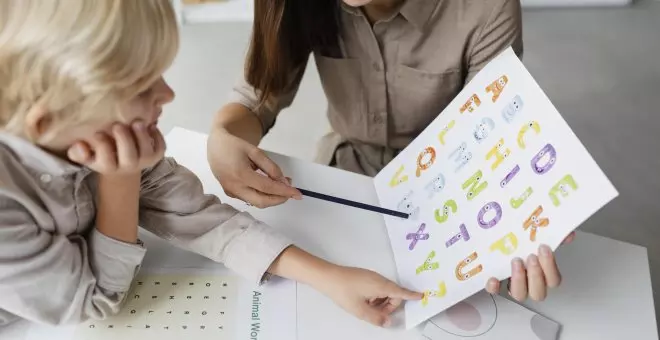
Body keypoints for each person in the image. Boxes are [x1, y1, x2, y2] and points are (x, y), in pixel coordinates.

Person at [0, 0, 423, 330]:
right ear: (50, 119)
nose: (167, 95)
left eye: (161, 74)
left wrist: (328, 276)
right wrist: (121, 179)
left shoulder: (98, 130)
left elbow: (201, 217)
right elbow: (95, 302)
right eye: (140, 84)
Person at [208, 0, 575, 303]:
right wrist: (222, 137)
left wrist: (517, 218)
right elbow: (257, 96)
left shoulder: (487, 7)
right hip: (345, 168)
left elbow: (493, 138)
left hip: (450, 187)